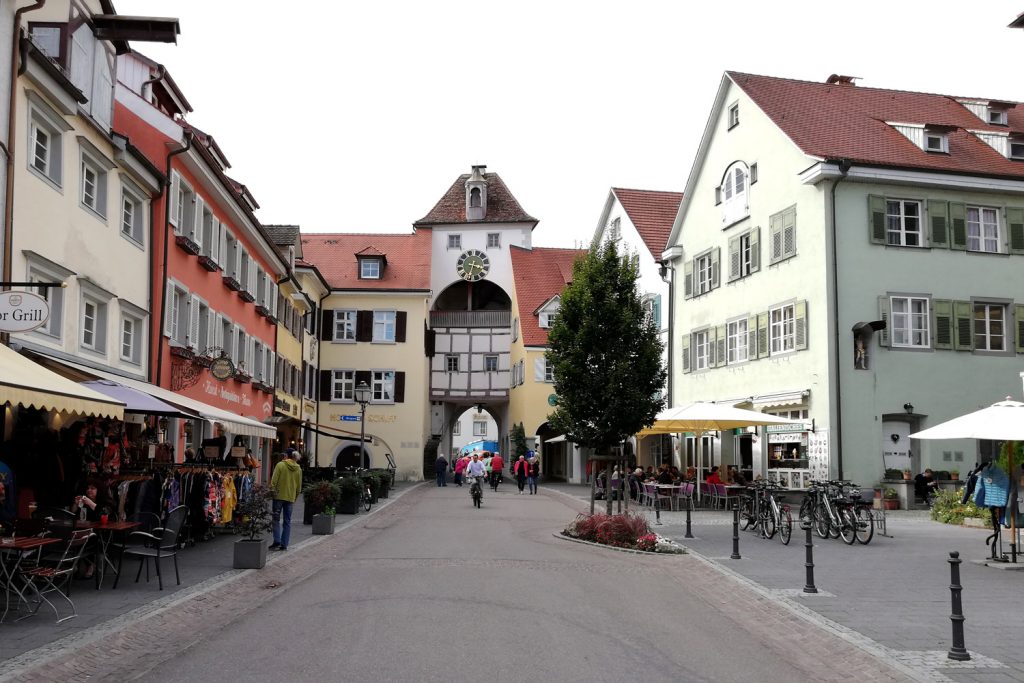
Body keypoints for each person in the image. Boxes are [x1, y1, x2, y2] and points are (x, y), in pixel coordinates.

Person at [269, 449, 302, 551]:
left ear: (286, 456)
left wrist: (272, 492)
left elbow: (273, 481)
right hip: (290, 498)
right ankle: (284, 544)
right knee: (287, 521)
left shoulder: (280, 465)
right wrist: (295, 497)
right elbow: (299, 487)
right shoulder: (298, 469)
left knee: (276, 519)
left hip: (278, 497)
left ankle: (277, 540)